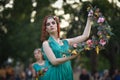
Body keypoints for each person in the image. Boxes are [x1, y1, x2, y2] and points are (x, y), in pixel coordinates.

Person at [41, 13, 92, 80]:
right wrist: (71, 56)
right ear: (46, 29)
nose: (51, 25)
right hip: (55, 74)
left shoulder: (66, 42)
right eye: (48, 24)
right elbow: (54, 61)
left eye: (53, 23)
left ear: (57, 25)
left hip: (67, 72)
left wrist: (89, 19)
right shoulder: (46, 43)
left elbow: (85, 36)